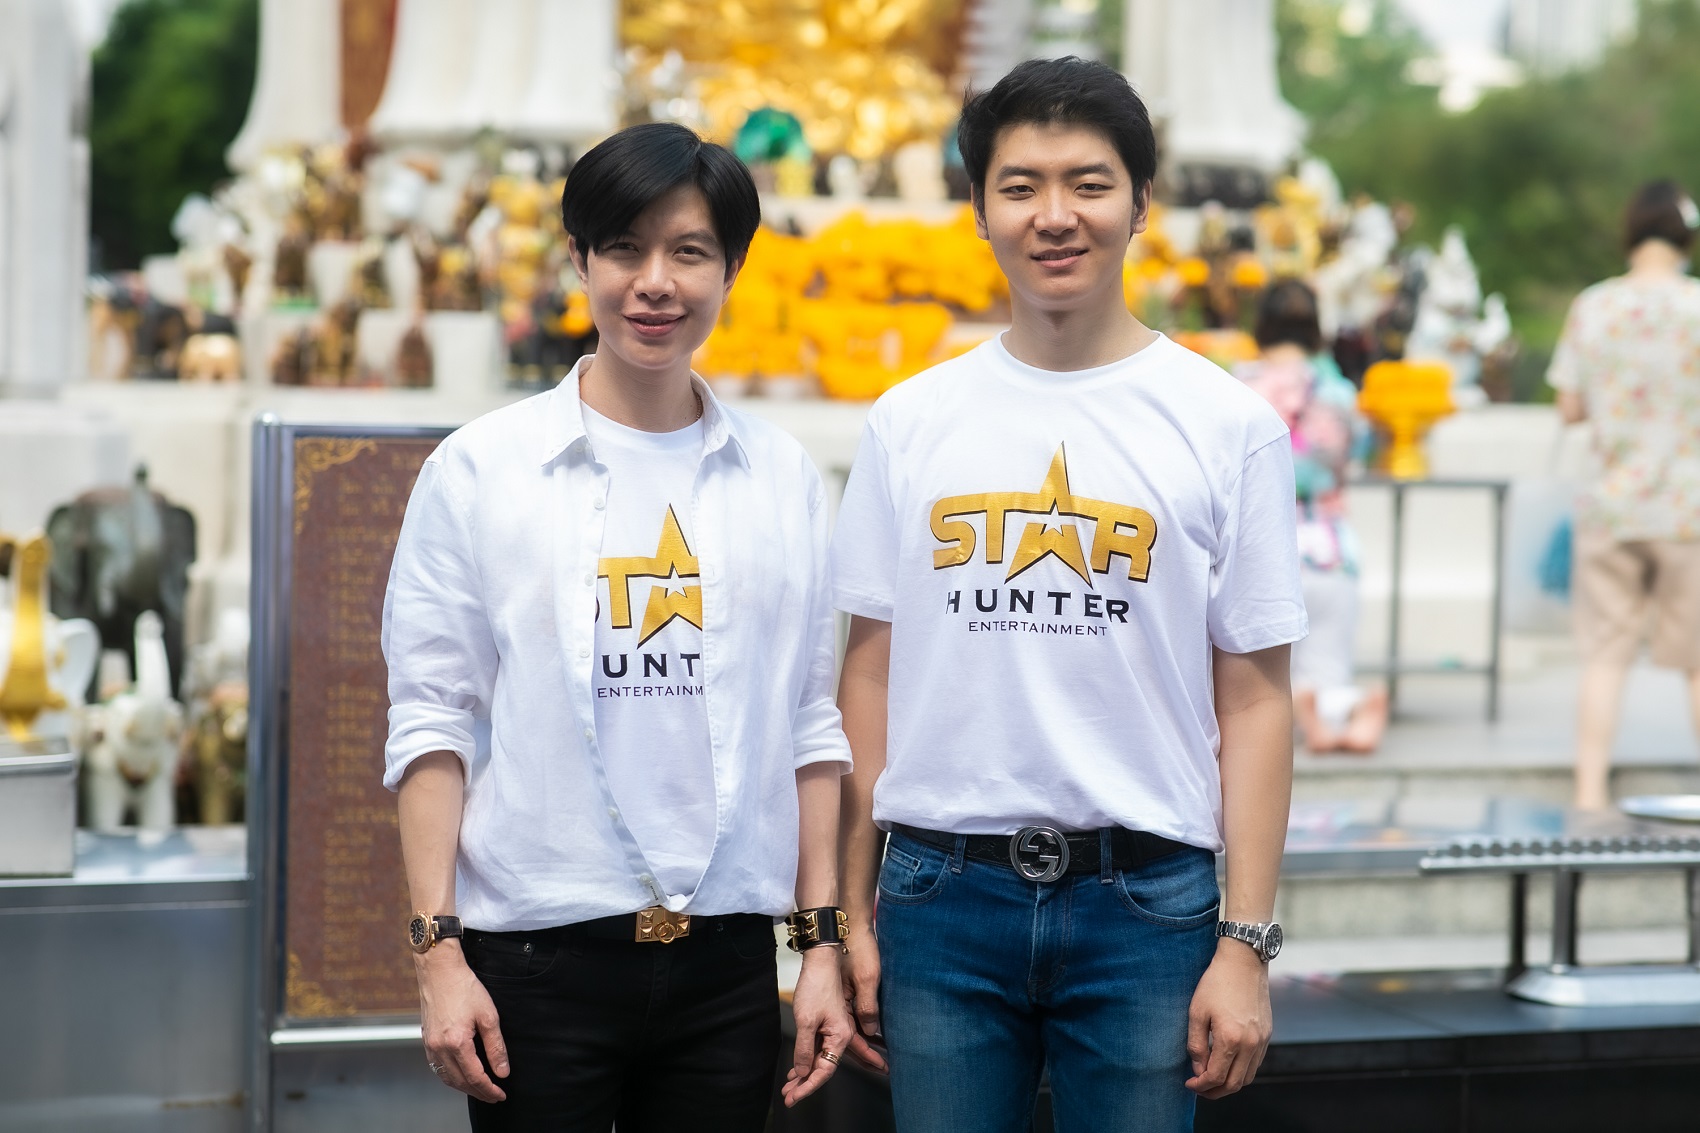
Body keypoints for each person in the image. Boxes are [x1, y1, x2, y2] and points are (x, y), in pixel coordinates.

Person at [831, 57, 1305, 1132]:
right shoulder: (910, 421)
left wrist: (1245, 940)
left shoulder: (1226, 425)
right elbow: (867, 676)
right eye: (1021, 185)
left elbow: (1255, 698)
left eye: (1089, 183)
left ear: (1140, 202)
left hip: (1147, 906)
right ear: (978, 208)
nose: (1055, 215)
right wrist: (848, 912)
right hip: (940, 900)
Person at [382, 122, 857, 1132]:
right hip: (535, 962)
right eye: (624, 250)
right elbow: (431, 717)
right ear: (578, 260)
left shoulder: (780, 477)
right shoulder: (483, 468)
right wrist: (437, 952)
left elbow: (810, 722)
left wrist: (820, 942)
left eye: (688, 252)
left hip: (726, 965)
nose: (655, 283)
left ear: (731, 269)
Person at [1548, 180, 1700, 811]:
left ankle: (1590, 796)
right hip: (1689, 508)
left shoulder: (1595, 305)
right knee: (1697, 661)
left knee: (1605, 657)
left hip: (1610, 504)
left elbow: (1570, 406)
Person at [1238, 279, 1385, 754]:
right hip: (1330, 545)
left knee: (1255, 685)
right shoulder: (1339, 392)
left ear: (1261, 325)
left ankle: (1309, 705)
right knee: (1329, 669)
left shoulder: (1236, 386)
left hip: (1260, 547)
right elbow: (1361, 452)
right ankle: (1345, 707)